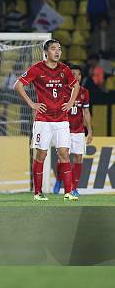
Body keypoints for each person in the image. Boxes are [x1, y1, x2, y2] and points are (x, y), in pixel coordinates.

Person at [14, 39, 79, 201]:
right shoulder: (37, 69)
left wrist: (70, 103)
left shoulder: (65, 69)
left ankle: (69, 192)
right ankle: (38, 192)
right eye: (53, 49)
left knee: (64, 153)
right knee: (41, 154)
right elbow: (18, 85)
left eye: (59, 49)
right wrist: (32, 104)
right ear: (46, 52)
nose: (57, 52)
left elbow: (76, 86)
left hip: (62, 119)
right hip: (43, 120)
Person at [53, 65, 92, 197]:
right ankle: (59, 180)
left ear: (81, 77)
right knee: (62, 158)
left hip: (79, 130)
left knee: (78, 158)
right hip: (63, 129)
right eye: (73, 74)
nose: (76, 76)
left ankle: (73, 188)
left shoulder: (84, 92)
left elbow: (86, 112)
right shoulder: (62, 91)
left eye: (78, 74)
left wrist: (90, 131)